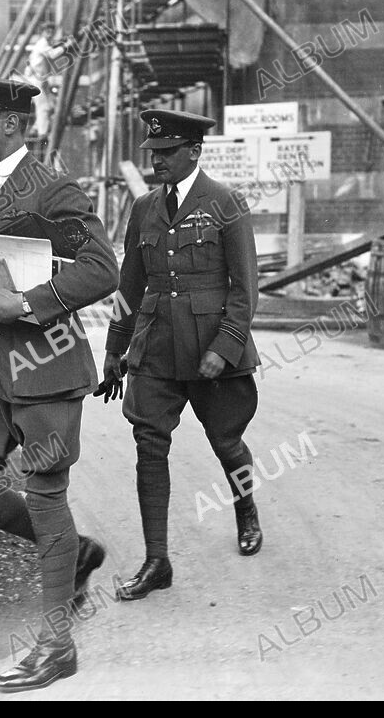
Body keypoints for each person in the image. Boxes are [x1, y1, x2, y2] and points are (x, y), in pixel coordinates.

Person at [0, 78, 119, 691]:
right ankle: (75, 555)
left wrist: (31, 303)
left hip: (46, 369)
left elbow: (101, 270)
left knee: (45, 494)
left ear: (13, 124)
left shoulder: (55, 189)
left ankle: (56, 646)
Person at [101, 109, 263, 602]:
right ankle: (157, 560)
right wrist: (115, 347)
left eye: (167, 154)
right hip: (156, 348)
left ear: (194, 151)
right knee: (149, 445)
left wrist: (226, 346)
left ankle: (245, 508)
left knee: (226, 441)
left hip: (212, 351)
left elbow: (245, 286)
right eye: (153, 155)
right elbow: (130, 283)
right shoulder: (144, 207)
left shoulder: (225, 203)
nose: (157, 164)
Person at [23, 23, 66, 140]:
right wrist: (66, 46)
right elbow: (52, 54)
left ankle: (36, 128)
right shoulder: (42, 43)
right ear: (42, 32)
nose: (50, 33)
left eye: (51, 31)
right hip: (35, 79)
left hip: (41, 79)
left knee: (51, 104)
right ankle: (42, 132)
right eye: (47, 31)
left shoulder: (45, 43)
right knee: (43, 106)